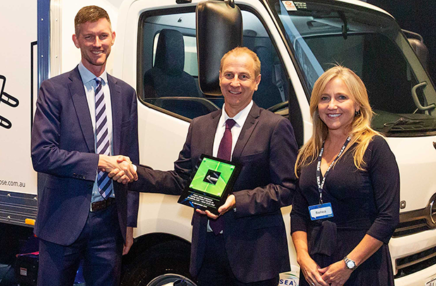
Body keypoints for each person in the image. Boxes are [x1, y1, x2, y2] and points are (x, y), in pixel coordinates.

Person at [128, 47, 297, 285]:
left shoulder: (275, 127)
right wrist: (134, 172)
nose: (234, 83)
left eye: (243, 76)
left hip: (254, 255)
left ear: (257, 81)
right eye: (228, 75)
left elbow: (287, 188)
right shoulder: (199, 126)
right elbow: (181, 179)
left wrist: (237, 200)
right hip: (206, 251)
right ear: (219, 78)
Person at [31, 5, 139, 286]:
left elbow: (132, 161)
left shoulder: (126, 94)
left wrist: (128, 224)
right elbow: (42, 155)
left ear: (113, 37)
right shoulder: (54, 90)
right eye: (88, 37)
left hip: (109, 225)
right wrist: (99, 162)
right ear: (76, 40)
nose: (97, 44)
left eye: (103, 35)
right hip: (62, 222)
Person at [290, 66, 399, 286]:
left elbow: (388, 218)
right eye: (324, 98)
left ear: (357, 105)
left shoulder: (374, 148)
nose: (332, 105)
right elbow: (298, 214)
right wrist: (303, 259)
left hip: (361, 268)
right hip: (316, 270)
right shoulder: (308, 153)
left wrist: (349, 264)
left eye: (341, 97)